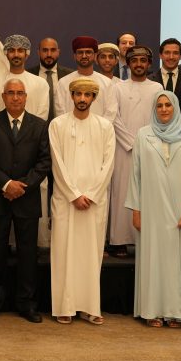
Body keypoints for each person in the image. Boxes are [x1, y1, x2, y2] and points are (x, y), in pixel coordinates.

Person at [126, 92, 181, 328]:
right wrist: (136, 210)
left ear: (176, 107)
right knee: (152, 259)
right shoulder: (143, 134)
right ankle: (152, 311)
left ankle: (175, 313)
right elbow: (136, 174)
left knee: (177, 261)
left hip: (180, 209)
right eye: (159, 105)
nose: (164, 109)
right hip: (151, 208)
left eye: (168, 105)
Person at [0, 78, 51, 323]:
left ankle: (27, 304)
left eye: (20, 93)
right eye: (10, 93)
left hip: (26, 198)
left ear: (26, 96)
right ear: (3, 96)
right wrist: (6, 184)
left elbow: (44, 162)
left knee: (28, 254)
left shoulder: (40, 126)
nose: (16, 97)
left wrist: (22, 186)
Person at [49, 78, 115, 325]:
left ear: (94, 98)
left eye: (88, 95)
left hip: (94, 202)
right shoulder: (57, 125)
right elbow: (57, 162)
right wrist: (74, 194)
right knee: (64, 253)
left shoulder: (105, 126)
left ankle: (90, 307)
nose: (83, 99)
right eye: (78, 94)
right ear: (72, 96)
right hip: (66, 200)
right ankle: (64, 306)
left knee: (91, 254)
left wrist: (92, 194)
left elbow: (108, 164)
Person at [109, 46, 162, 258]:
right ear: (128, 64)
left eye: (143, 60)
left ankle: (144, 239)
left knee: (148, 194)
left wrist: (147, 143)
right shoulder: (118, 87)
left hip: (151, 149)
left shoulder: (157, 87)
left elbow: (161, 117)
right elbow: (113, 117)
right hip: (124, 150)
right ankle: (120, 241)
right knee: (122, 193)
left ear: (149, 63)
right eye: (134, 60)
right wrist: (132, 143)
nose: (139, 64)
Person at [0, 35, 50, 120]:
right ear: (6, 54)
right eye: (12, 51)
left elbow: (42, 118)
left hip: (32, 129)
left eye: (20, 51)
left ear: (26, 55)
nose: (16, 55)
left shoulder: (41, 84)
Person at [54, 36, 118, 121]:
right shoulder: (63, 82)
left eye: (88, 52)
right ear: (74, 56)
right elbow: (60, 112)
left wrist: (100, 127)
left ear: (95, 55)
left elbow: (110, 112)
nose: (84, 56)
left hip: (99, 129)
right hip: (70, 128)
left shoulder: (107, 83)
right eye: (80, 52)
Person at [152, 38, 181, 127]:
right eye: (167, 53)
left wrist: (179, 129)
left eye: (175, 53)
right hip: (155, 131)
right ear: (160, 55)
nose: (171, 57)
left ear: (180, 56)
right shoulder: (150, 80)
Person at [29, 37, 73, 122]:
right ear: (38, 52)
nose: (49, 54)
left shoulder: (70, 76)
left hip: (63, 125)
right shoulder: (29, 75)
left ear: (58, 52)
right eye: (45, 50)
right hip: (35, 126)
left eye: (53, 50)